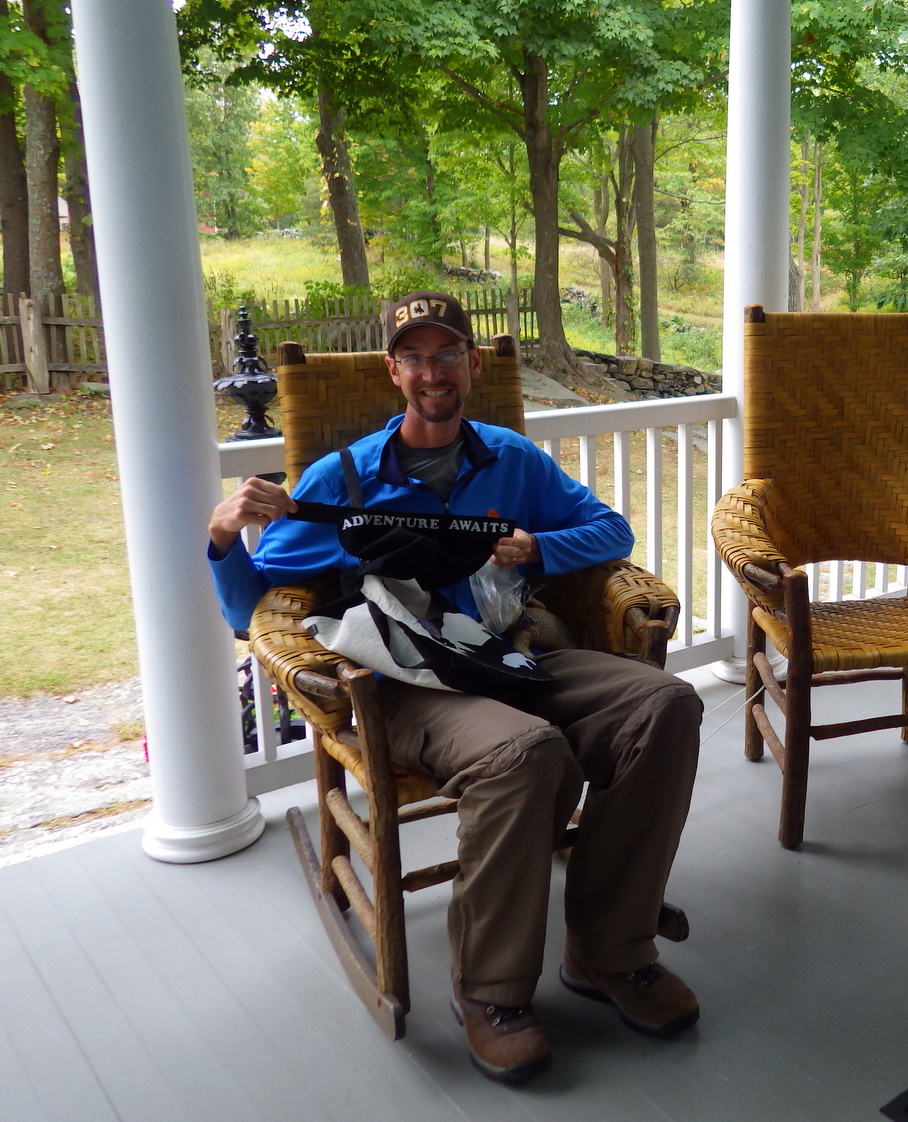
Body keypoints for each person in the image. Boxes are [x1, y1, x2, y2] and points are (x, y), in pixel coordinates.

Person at [206, 291, 702, 1084]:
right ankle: (492, 993)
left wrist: (537, 548)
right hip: (407, 682)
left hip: (508, 655)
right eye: (415, 358)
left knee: (665, 705)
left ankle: (610, 948)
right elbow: (254, 606)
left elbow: (613, 531)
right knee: (523, 751)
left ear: (472, 365)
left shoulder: (510, 458)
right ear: (392, 371)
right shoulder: (343, 481)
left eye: (447, 355)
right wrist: (226, 533)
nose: (432, 372)